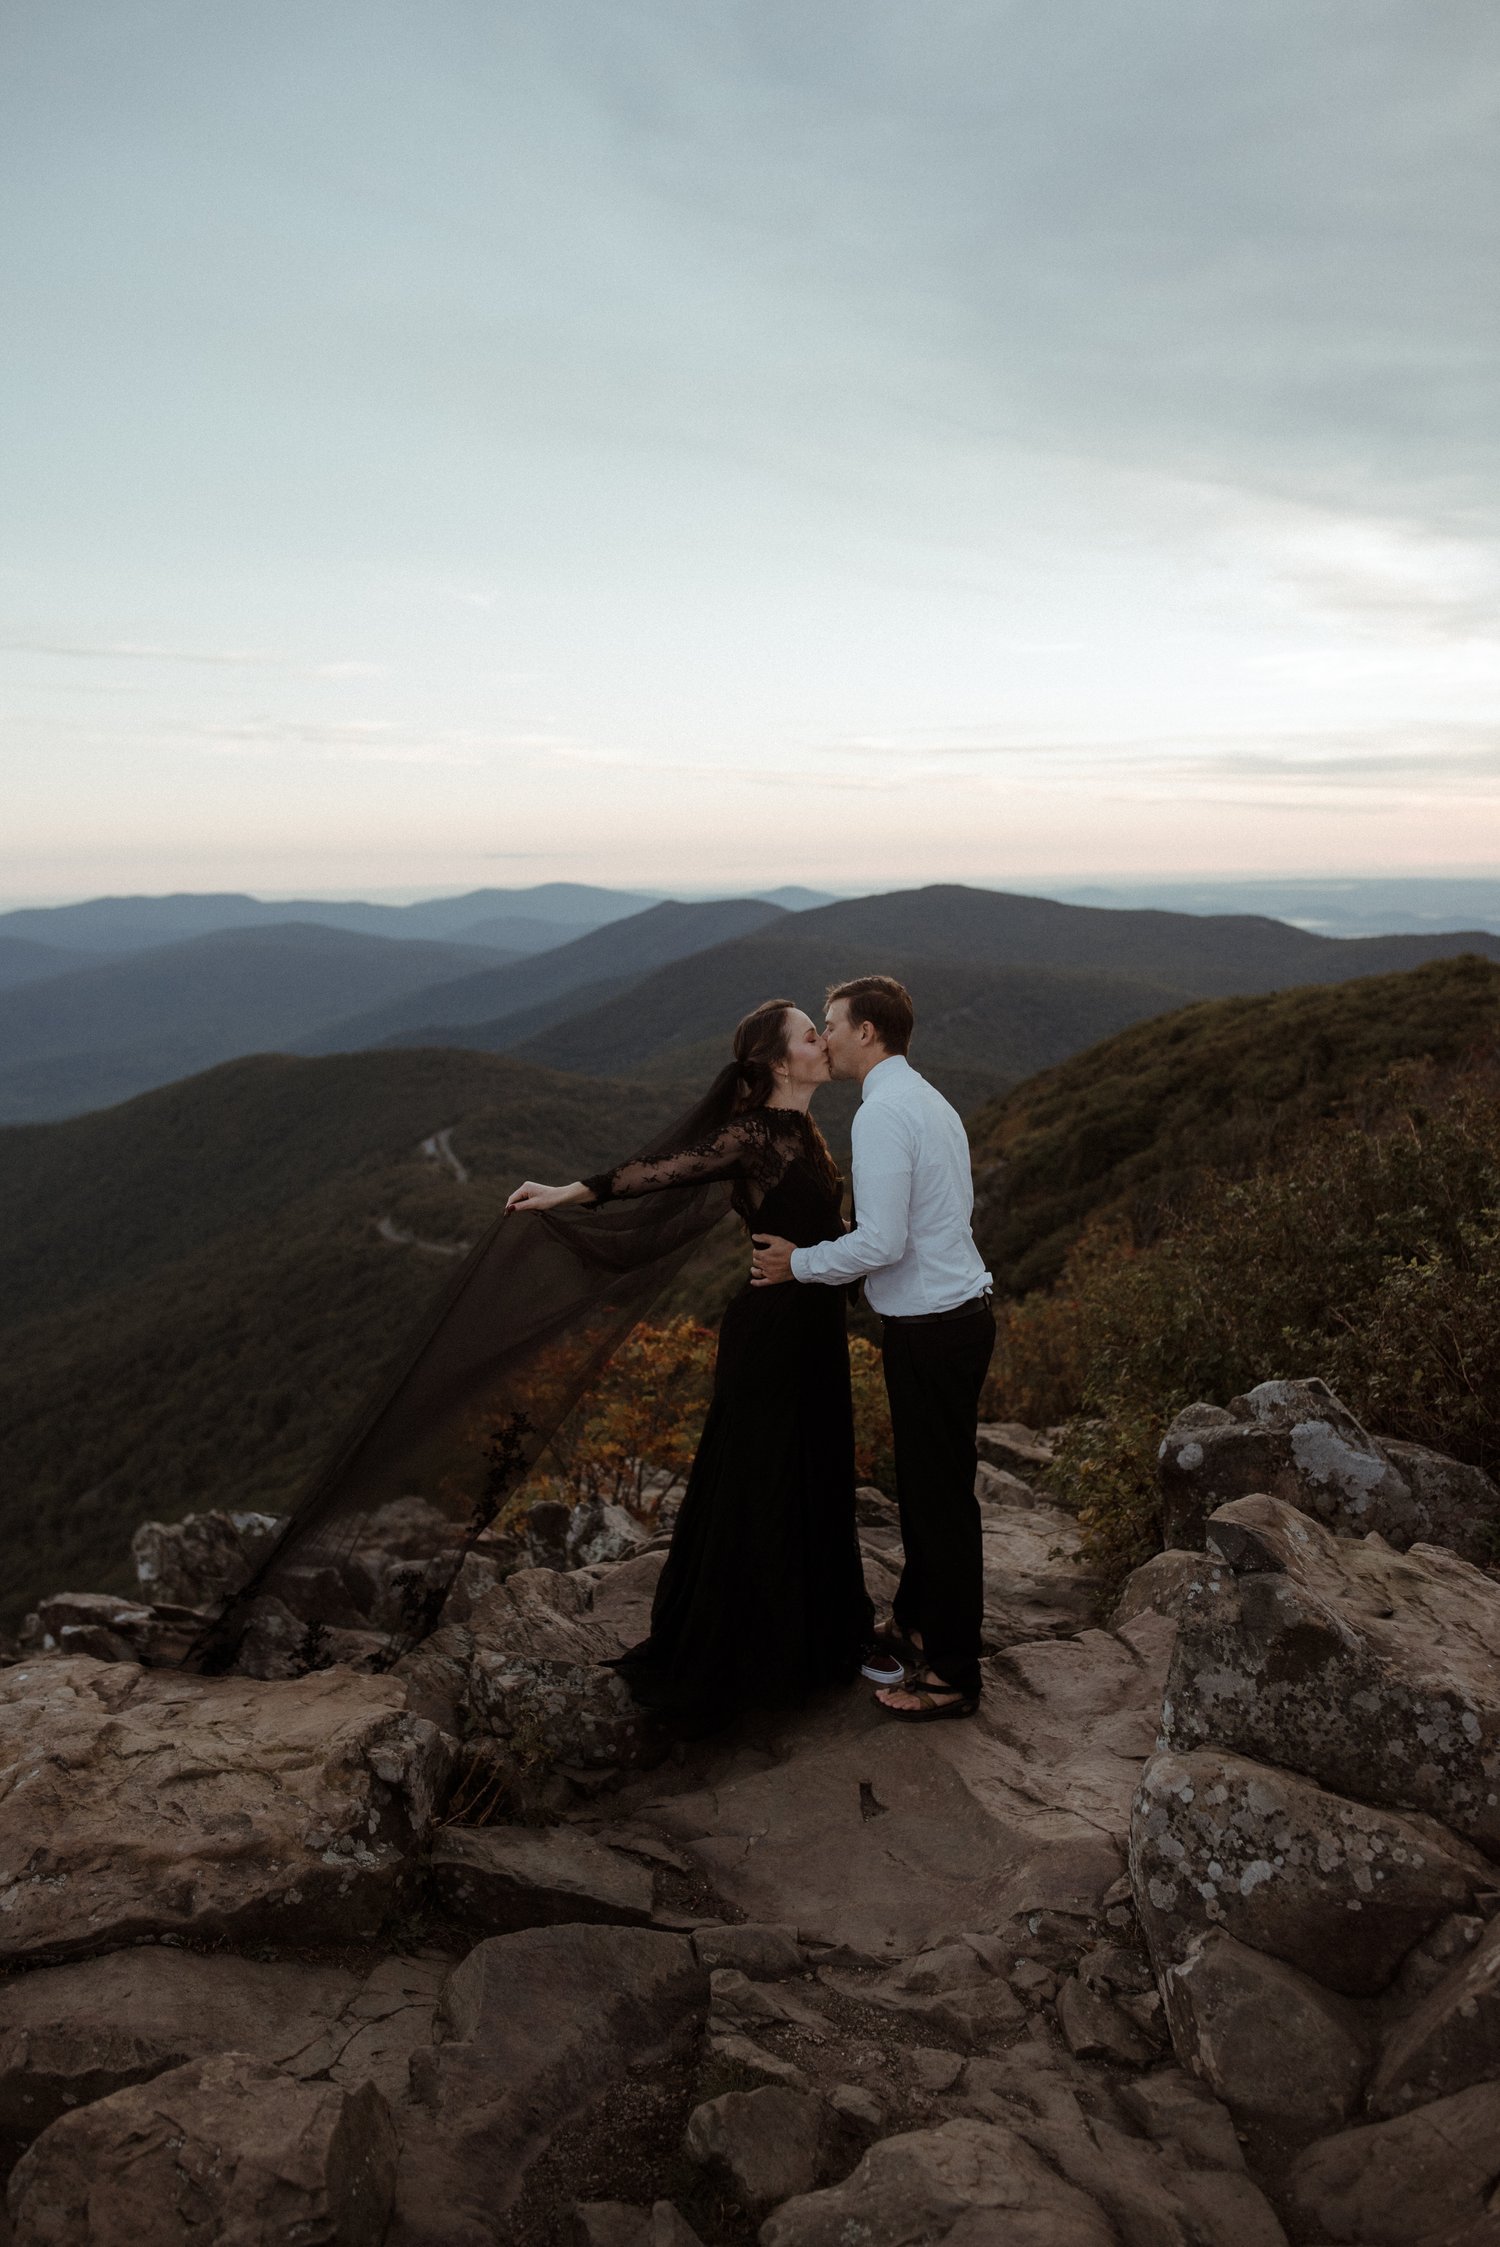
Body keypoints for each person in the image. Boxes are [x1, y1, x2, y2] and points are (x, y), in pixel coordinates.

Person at [504, 997, 874, 1729]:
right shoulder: (755, 1134)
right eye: (810, 1036)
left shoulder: (805, 1128)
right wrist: (568, 1192)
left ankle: (810, 1639)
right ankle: (748, 1654)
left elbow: (823, 1232)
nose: (823, 1044)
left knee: (813, 1470)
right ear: (777, 1061)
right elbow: (661, 1170)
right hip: (771, 1332)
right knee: (761, 1477)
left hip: (812, 1328)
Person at [750, 975, 994, 1722]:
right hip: (956, 1316)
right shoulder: (924, 1099)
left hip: (931, 1327)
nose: (825, 1036)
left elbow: (882, 1242)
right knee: (936, 1489)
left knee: (937, 1502)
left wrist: (799, 1263)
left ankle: (953, 1674)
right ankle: (920, 1621)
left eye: (832, 1023)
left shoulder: (883, 1115)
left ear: (868, 1033)